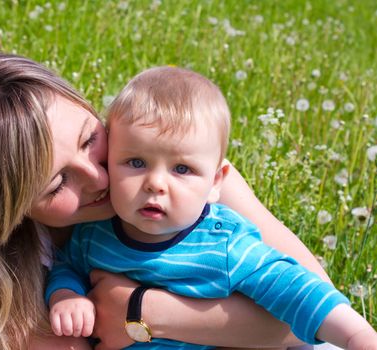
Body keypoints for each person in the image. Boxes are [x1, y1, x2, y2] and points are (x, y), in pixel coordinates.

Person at [0, 52, 339, 350]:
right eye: (56, 184)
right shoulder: (1, 300)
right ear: (2, 216)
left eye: (89, 139)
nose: (100, 176)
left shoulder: (179, 174)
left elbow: (309, 306)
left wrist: (143, 311)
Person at [45, 66, 377, 349]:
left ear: (216, 182)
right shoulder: (94, 236)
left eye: (181, 169)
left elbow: (297, 290)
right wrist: (66, 295)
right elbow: (68, 266)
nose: (156, 183)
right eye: (136, 162)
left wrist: (358, 336)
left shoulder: (225, 244)